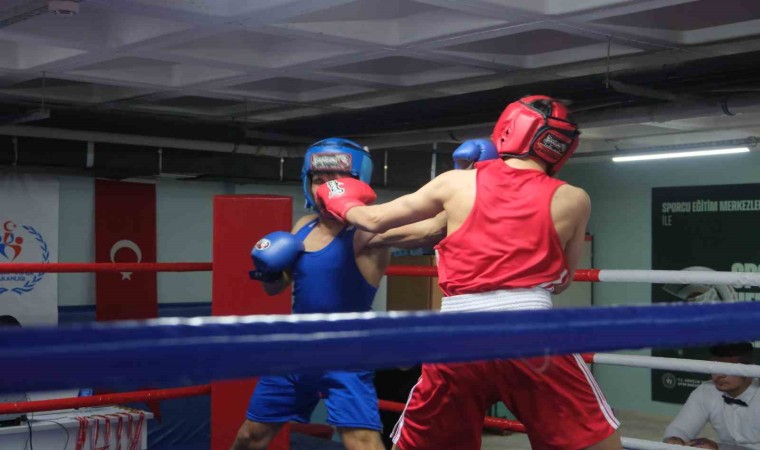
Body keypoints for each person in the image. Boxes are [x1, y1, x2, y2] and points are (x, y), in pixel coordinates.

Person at [316, 95, 623, 450]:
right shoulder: (575, 198)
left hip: (458, 334)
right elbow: (563, 280)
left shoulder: (457, 183)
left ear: (507, 129)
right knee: (594, 440)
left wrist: (335, 194)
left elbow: (371, 219)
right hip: (531, 330)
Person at [663, 342, 759, 450]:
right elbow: (679, 429)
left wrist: (719, 448)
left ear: (750, 370)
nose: (719, 375)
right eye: (715, 366)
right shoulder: (706, 391)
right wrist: (675, 440)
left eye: (728, 368)